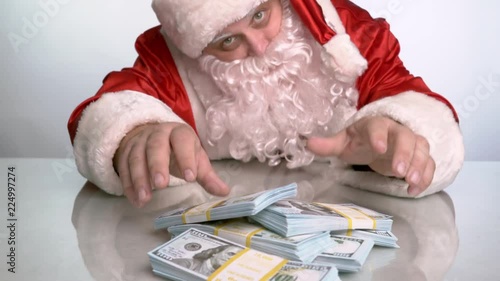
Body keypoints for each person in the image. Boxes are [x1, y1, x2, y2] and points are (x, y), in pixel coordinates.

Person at [67, 0, 464, 208]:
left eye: (260, 14)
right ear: (196, 47)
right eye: (227, 41)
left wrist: (401, 141)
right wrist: (134, 134)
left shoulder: (345, 30)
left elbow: (407, 95)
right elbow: (118, 104)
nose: (258, 47)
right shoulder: (169, 64)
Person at [171, 245, 242, 276]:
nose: (232, 259)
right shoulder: (186, 263)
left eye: (237, 258)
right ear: (215, 253)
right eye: (231, 254)